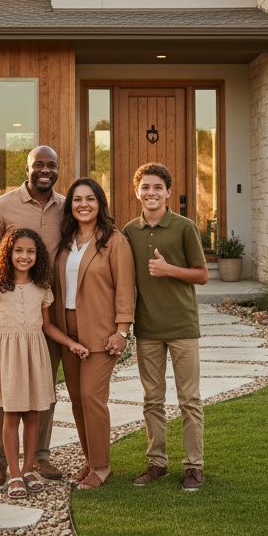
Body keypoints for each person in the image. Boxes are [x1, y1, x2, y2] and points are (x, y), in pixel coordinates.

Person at [0, 145, 67, 486]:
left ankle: (38, 458)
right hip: (11, 304)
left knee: (43, 387)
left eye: (52, 165)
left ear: (57, 170)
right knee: (5, 387)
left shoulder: (65, 206)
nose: (45, 170)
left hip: (49, 304)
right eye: (39, 165)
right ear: (27, 169)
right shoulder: (3, 205)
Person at [0, 227, 89, 499]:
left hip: (35, 355)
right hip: (6, 357)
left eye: (30, 251)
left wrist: (71, 343)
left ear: (38, 256)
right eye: (18, 250)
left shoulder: (42, 288)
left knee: (33, 416)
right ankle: (14, 473)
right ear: (8, 253)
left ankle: (29, 469)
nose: (24, 256)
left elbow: (48, 326)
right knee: (10, 415)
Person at [122, 162, 210, 492]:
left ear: (168, 192)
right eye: (145, 187)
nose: (151, 193)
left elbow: (201, 274)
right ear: (137, 192)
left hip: (182, 325)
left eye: (158, 187)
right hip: (148, 328)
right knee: (152, 400)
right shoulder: (129, 231)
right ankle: (157, 463)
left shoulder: (185, 227)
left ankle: (194, 467)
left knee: (189, 400)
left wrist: (169, 269)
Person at [52, 177, 135, 489]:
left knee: (91, 397)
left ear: (100, 203)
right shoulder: (65, 241)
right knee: (76, 399)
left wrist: (122, 331)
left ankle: (101, 467)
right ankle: (90, 458)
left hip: (101, 332)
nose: (83, 205)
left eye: (90, 199)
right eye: (76, 199)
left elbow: (126, 288)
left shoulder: (115, 241)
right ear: (70, 205)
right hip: (68, 331)